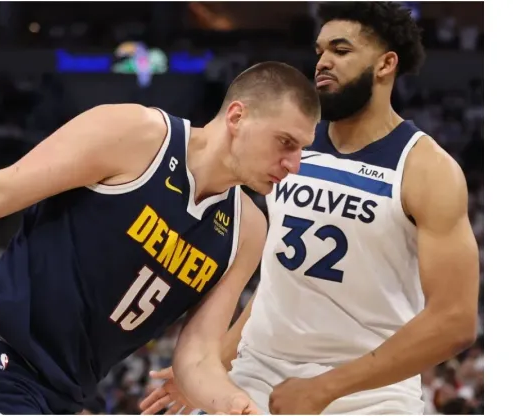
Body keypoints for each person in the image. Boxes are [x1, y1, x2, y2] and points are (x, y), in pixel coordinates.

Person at [0, 62, 320, 414]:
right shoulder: (135, 135)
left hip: (62, 397)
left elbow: (195, 358)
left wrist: (235, 405)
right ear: (237, 117)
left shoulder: (248, 231)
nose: (294, 164)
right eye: (286, 143)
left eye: (302, 151)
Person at [140, 2, 480, 415]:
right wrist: (210, 366)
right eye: (320, 51)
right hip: (259, 371)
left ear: (386, 63)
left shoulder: (427, 168)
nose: (323, 62)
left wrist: (324, 388)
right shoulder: (293, 146)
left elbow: (455, 320)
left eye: (341, 50)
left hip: (369, 393)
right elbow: (279, 282)